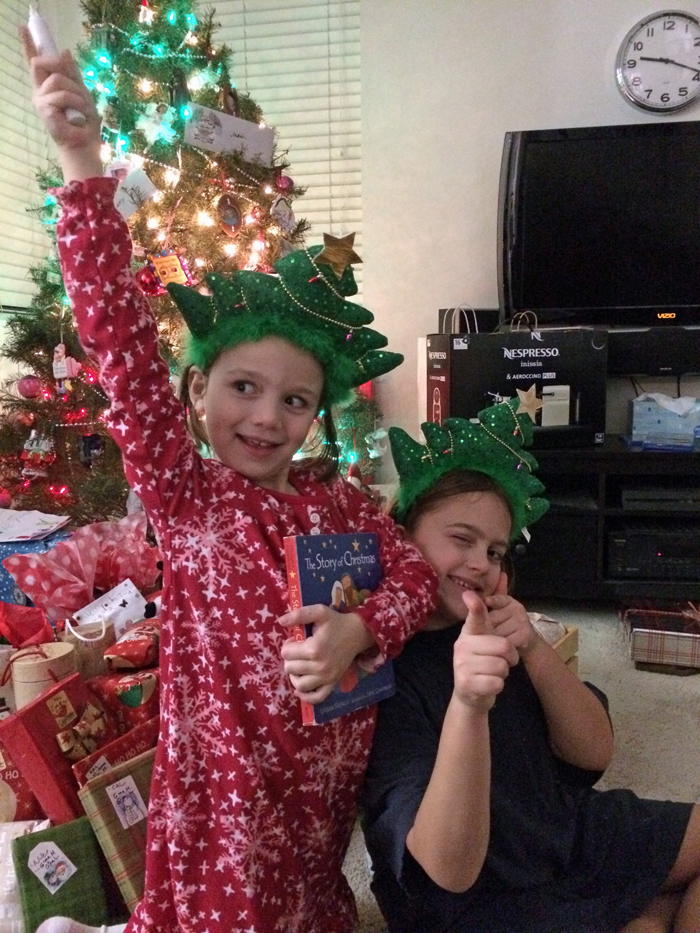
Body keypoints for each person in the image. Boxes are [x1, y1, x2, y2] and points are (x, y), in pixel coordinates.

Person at [23, 35, 438, 933]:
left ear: (320, 412)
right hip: (223, 782)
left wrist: (361, 627)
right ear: (197, 390)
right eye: (242, 387)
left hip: (324, 774)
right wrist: (82, 165)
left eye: (295, 399)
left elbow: (414, 577)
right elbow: (122, 345)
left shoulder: (340, 499)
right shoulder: (187, 490)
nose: (266, 417)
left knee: (306, 897)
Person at [361, 401, 700, 933]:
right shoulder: (380, 666)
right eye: (461, 538)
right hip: (481, 897)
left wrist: (536, 650)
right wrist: (469, 703)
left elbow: (594, 753)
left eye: (495, 551)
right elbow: (446, 871)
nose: (480, 563)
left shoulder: (494, 625)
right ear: (402, 536)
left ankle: (645, 911)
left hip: (554, 827)